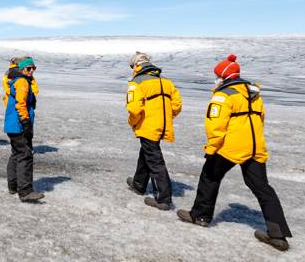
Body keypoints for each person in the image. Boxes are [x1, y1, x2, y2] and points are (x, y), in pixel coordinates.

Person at [177, 54, 293, 252]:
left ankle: (200, 216)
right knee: (262, 188)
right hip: (255, 147)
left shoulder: (223, 95)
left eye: (217, 75)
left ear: (223, 76)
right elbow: (260, 119)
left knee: (209, 177)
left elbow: (215, 126)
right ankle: (278, 234)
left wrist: (212, 149)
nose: (216, 79)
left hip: (230, 147)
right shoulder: (254, 94)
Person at [124, 52, 182, 210]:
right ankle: (138, 184)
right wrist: (165, 118)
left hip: (148, 126)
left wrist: (133, 122)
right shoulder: (166, 82)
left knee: (155, 161)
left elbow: (134, 109)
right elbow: (176, 105)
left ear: (136, 65)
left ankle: (163, 198)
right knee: (147, 153)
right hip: (163, 125)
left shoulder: (137, 82)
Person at [4, 57, 43, 202]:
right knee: (25, 155)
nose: (31, 70)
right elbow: (21, 104)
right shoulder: (21, 82)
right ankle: (25, 190)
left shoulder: (18, 80)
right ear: (21, 69)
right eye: (28, 68)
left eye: (33, 68)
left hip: (12, 124)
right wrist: (26, 122)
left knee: (16, 154)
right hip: (18, 124)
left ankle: (13, 185)